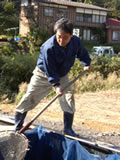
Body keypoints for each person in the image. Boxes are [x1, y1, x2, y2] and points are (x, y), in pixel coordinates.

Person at [14, 18, 91, 137]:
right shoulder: (48, 47)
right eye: (59, 36)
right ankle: (18, 127)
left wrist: (86, 63)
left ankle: (67, 129)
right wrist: (56, 85)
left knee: (68, 99)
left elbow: (82, 53)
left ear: (71, 35)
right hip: (43, 74)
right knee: (30, 97)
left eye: (65, 37)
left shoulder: (76, 42)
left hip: (63, 75)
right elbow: (50, 69)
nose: (61, 39)